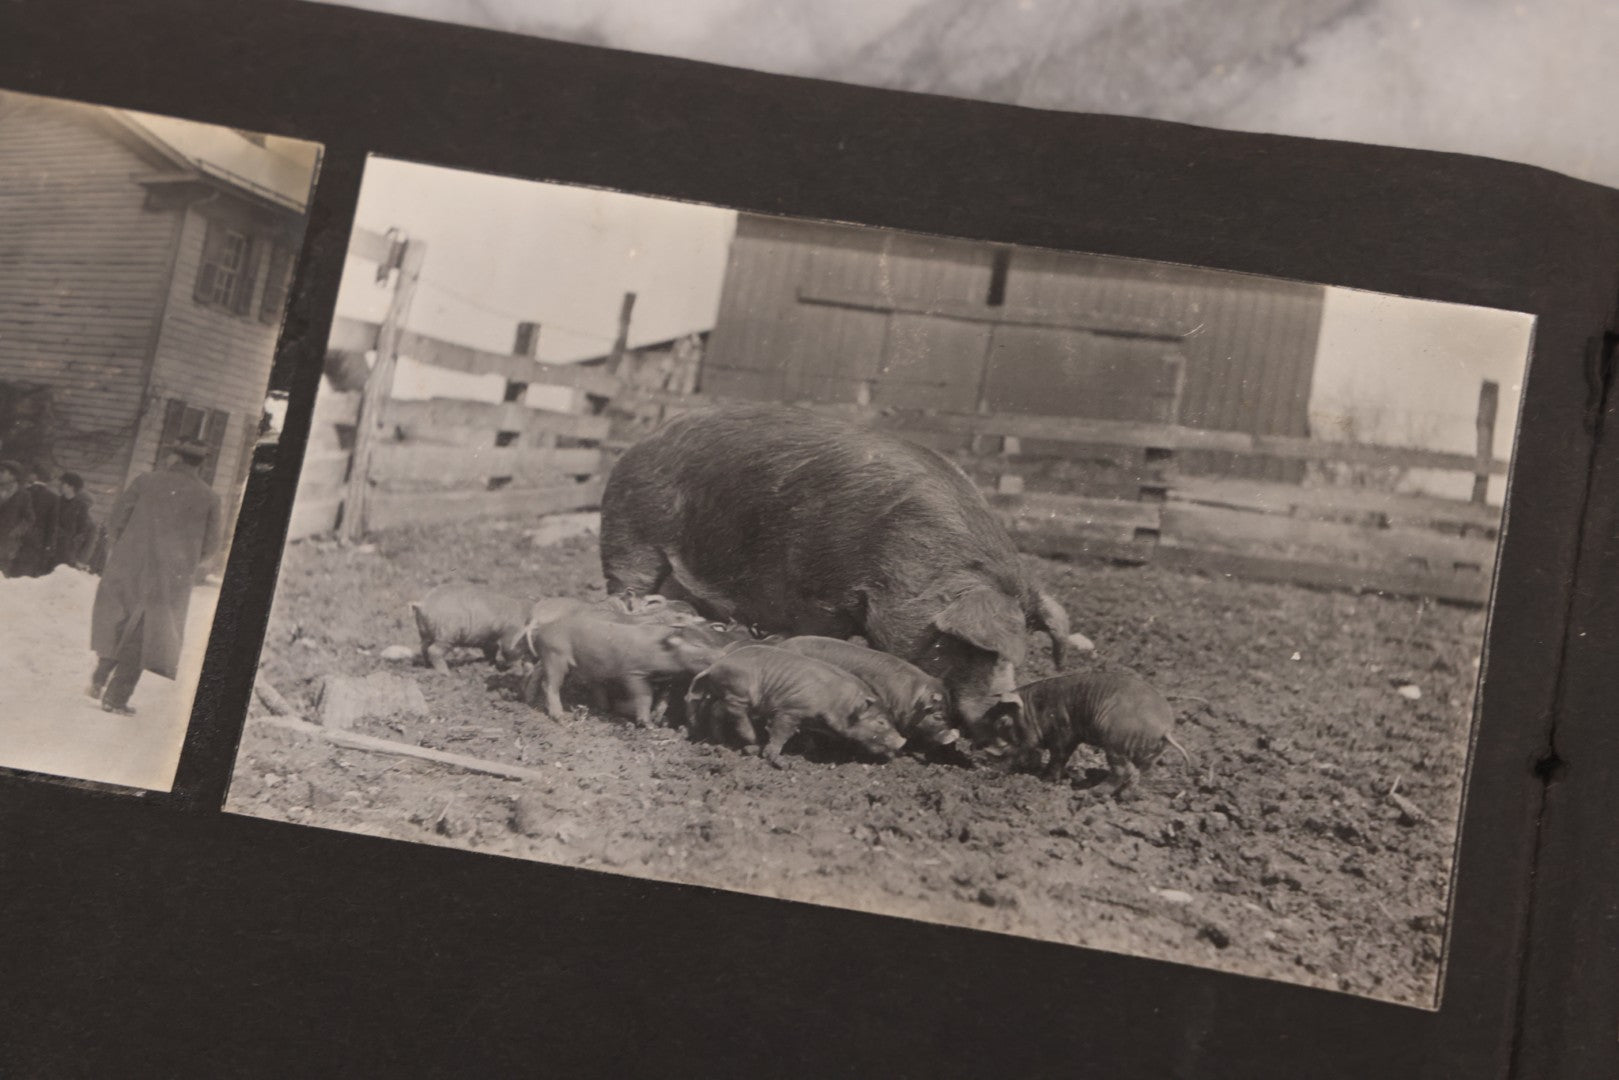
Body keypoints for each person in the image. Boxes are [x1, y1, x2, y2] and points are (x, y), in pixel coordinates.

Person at [88, 439, 222, 716]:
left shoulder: (144, 481)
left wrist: (124, 548)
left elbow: (116, 520)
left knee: (119, 619)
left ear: (175, 457)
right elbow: (211, 546)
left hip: (129, 563)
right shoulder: (209, 497)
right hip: (170, 576)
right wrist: (185, 561)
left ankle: (99, 678)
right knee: (146, 632)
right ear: (199, 464)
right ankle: (116, 697)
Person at [12, 462, 59, 577]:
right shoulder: (54, 498)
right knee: (25, 573)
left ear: (35, 476)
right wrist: (48, 545)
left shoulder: (23, 491)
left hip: (17, 534)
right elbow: (52, 525)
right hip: (37, 540)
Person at [51, 472, 96, 571]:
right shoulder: (56, 502)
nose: (59, 486)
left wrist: (72, 548)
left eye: (63, 483)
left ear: (71, 487)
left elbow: (82, 531)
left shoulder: (80, 507)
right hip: (51, 548)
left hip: (66, 552)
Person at [0, 460, 36, 577]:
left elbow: (29, 518)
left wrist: (16, 532)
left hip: (6, 544)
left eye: (3, 471)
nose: (0, 473)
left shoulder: (23, 495)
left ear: (13, 476)